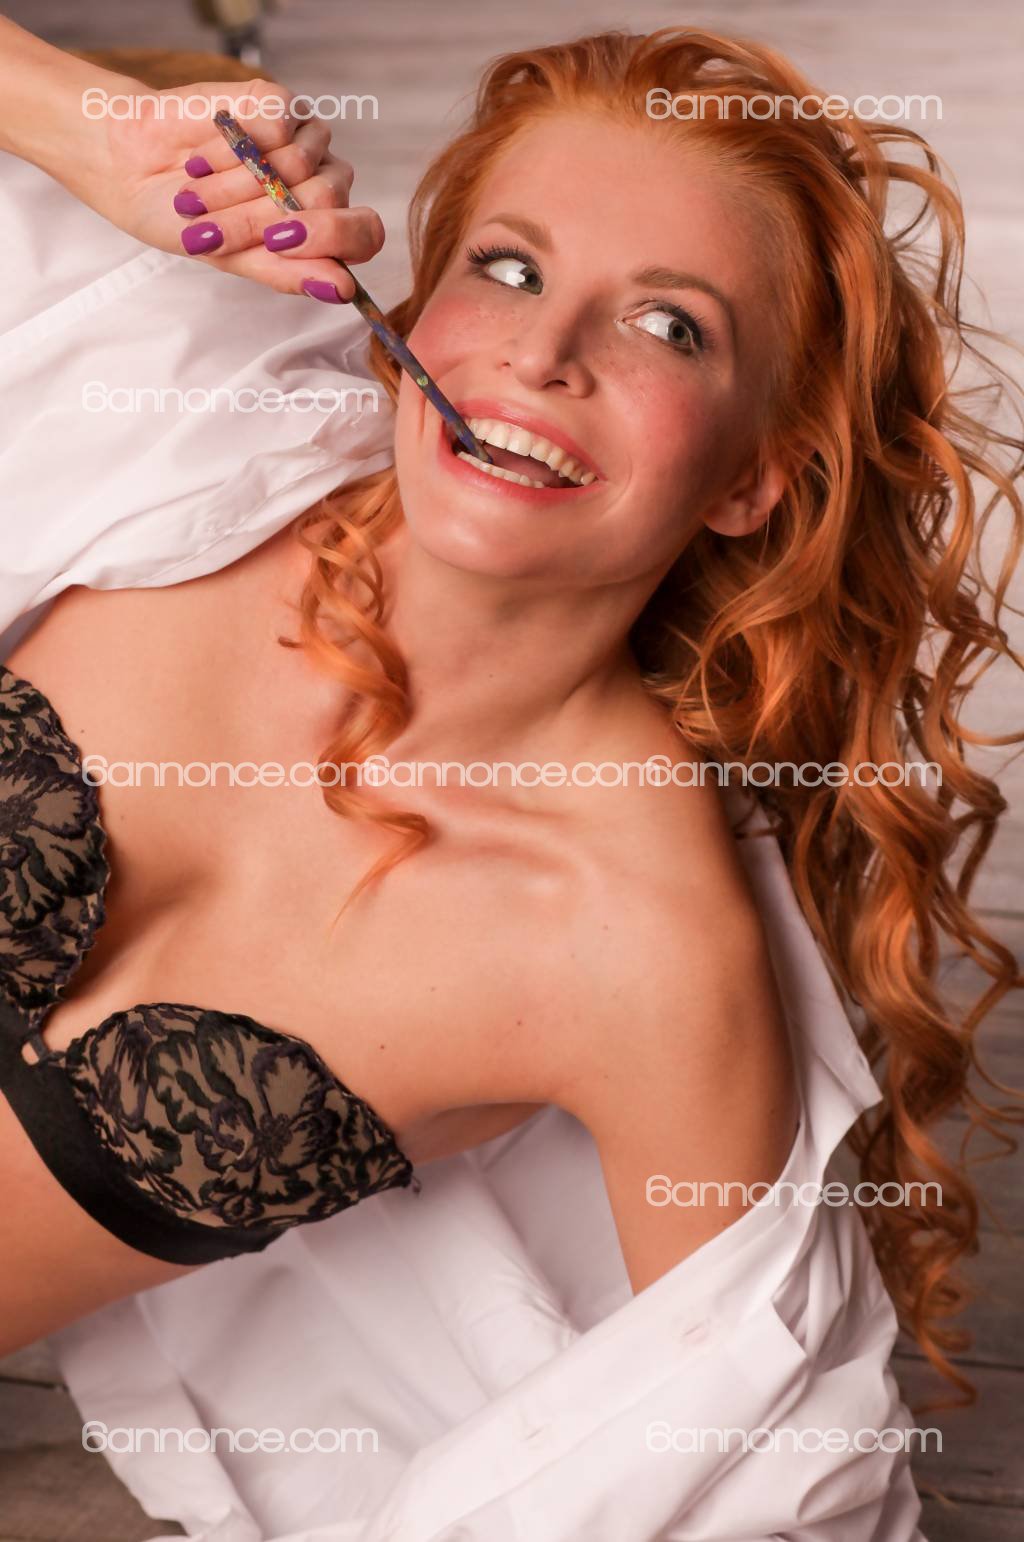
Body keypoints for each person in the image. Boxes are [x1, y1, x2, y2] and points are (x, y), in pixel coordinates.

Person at [0, 17, 1019, 1539]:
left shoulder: (634, 948)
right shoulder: (192, 433)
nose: (543, 355)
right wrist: (86, 122)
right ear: (416, 305)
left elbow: (747, 1460)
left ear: (756, 474)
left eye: (668, 326)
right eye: (511, 268)